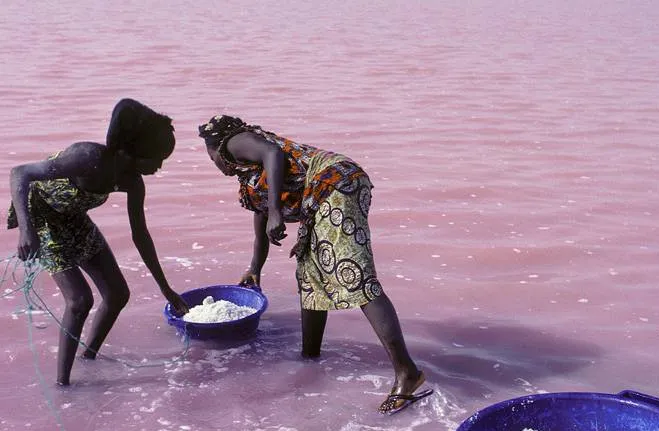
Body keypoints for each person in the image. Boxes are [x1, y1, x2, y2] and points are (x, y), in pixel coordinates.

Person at [198, 115, 432, 414]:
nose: (214, 162)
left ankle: (407, 373)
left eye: (210, 154)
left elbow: (273, 153)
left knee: (355, 277)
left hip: (335, 183)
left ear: (216, 146)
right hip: (321, 199)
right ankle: (310, 359)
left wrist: (275, 211)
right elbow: (260, 223)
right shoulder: (250, 180)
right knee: (310, 276)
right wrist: (255, 268)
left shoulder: (234, 141)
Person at [8, 98, 189, 386]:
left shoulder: (132, 182)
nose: (158, 166)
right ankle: (63, 385)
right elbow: (20, 173)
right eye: (155, 158)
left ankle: (88, 359)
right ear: (131, 152)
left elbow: (140, 235)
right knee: (80, 301)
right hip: (42, 217)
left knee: (118, 295)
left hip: (74, 217)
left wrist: (166, 289)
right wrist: (25, 231)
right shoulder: (87, 156)